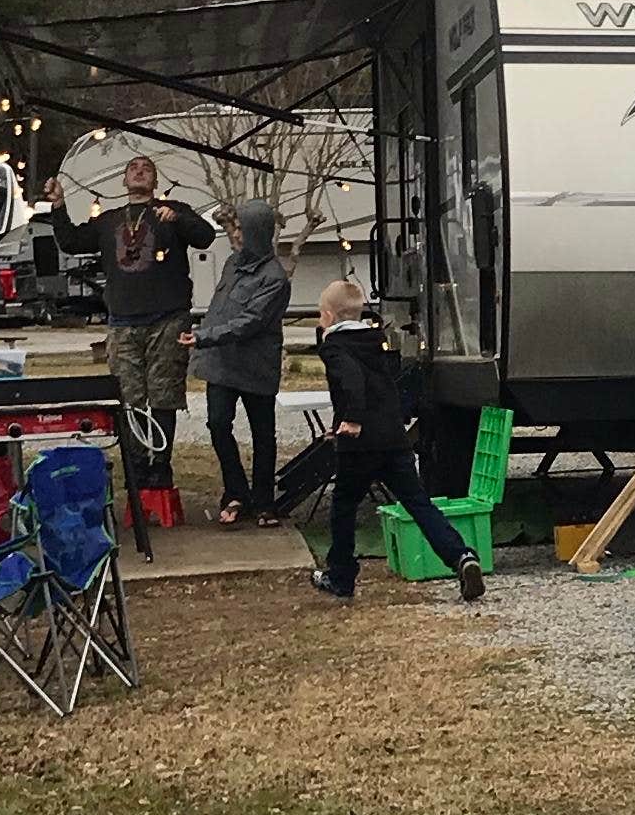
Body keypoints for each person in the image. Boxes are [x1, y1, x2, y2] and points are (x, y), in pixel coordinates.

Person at [44, 155, 216, 504]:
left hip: (167, 318)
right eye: (133, 168)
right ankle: (136, 467)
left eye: (146, 169)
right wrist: (59, 206)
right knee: (129, 399)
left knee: (164, 395)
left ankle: (161, 465)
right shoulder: (108, 221)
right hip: (123, 321)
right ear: (123, 181)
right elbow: (73, 242)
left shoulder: (171, 210)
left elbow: (206, 237)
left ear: (155, 181)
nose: (139, 172)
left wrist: (178, 219)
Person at [312, 278, 484, 602]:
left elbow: (352, 382)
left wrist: (351, 420)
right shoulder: (375, 342)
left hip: (360, 443)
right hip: (393, 438)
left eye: (321, 317)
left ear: (329, 316)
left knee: (344, 506)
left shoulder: (335, 347)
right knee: (419, 503)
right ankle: (460, 555)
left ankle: (341, 576)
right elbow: (383, 389)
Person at [192, 199, 290, 522]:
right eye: (234, 228)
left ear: (258, 234)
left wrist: (204, 337)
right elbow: (221, 306)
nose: (235, 235)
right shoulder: (232, 264)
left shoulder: (275, 278)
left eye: (241, 230)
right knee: (218, 424)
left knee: (264, 433)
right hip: (221, 363)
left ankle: (264, 501)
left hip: (256, 365)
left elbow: (251, 321)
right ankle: (235, 492)